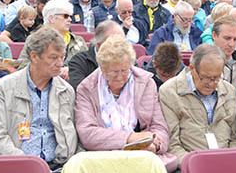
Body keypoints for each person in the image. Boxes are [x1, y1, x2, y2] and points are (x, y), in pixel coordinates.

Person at [74, 34, 177, 172]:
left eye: (124, 70)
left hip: (143, 154)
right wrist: (131, 138)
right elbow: (87, 134)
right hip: (102, 155)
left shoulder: (146, 83)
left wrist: (155, 144)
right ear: (102, 69)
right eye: (114, 72)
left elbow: (159, 126)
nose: (120, 77)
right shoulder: (86, 88)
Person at [0, 28, 79, 171]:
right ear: (34, 57)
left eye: (62, 57)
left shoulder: (66, 91)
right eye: (53, 58)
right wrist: (26, 163)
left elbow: (74, 134)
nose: (60, 63)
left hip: (59, 165)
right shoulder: (3, 88)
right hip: (17, 165)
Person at [159, 44, 236, 168]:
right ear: (192, 69)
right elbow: (173, 145)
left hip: (227, 164)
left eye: (217, 78)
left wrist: (231, 161)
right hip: (191, 165)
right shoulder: (169, 92)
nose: (212, 84)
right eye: (206, 78)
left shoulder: (228, 91)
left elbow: (235, 138)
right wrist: (199, 166)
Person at [39, 0, 87, 80]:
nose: (70, 19)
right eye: (65, 16)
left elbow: (88, 66)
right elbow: (25, 66)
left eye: (70, 16)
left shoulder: (78, 41)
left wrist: (70, 69)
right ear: (52, 18)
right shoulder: (36, 40)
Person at [68, 20, 125, 90]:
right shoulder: (79, 62)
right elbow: (80, 90)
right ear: (99, 45)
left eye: (123, 43)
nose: (120, 48)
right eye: (114, 44)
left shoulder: (128, 59)